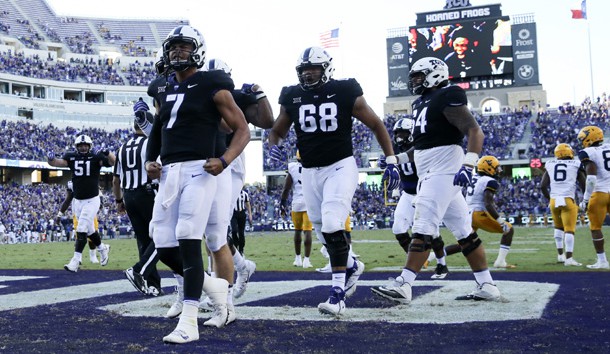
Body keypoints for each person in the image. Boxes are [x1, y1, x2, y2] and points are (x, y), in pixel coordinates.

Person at [268, 46, 400, 316]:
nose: (308, 75)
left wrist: (391, 159)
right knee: (321, 230)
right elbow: (278, 131)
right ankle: (351, 264)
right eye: (304, 71)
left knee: (331, 222)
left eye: (313, 69)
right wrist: (275, 144)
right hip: (310, 172)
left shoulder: (345, 90)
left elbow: (376, 123)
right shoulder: (292, 95)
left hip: (340, 166)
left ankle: (337, 294)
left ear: (326, 68)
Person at [144, 25, 250, 344]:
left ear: (198, 50)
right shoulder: (164, 88)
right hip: (170, 172)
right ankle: (211, 285)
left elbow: (242, 129)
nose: (177, 51)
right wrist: (152, 159)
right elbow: (159, 129)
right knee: (162, 241)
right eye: (173, 46)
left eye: (184, 46)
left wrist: (225, 159)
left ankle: (189, 321)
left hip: (200, 169)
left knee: (188, 236)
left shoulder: (211, 83)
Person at [369, 57, 501, 304]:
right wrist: (394, 160)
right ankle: (487, 285)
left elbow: (474, 131)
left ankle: (405, 284)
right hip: (431, 168)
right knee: (465, 233)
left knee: (423, 226)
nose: (414, 81)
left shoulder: (447, 94)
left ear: (434, 74)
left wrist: (469, 163)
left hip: (444, 168)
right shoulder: (421, 102)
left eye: (419, 76)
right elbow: (420, 147)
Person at [48, 134, 114, 272]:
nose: (83, 147)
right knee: (90, 230)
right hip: (77, 201)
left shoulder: (96, 157)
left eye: (85, 145)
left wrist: (107, 153)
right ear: (76, 147)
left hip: (92, 199)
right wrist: (50, 158)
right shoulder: (71, 156)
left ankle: (75, 261)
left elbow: (113, 162)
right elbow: (56, 163)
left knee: (81, 228)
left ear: (90, 146)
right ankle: (102, 248)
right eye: (80, 145)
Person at [113, 113, 163, 296]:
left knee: (143, 241)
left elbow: (115, 180)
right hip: (148, 193)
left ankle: (152, 285)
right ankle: (139, 270)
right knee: (162, 236)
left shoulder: (122, 147)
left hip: (129, 196)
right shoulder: (151, 143)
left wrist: (119, 201)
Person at [463, 155, 515, 268]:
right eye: (496, 168)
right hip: (479, 214)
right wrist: (500, 221)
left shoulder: (473, 177)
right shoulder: (490, 181)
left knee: (466, 243)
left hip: (467, 214)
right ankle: (500, 262)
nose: (498, 171)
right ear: (489, 168)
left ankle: (432, 257)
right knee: (509, 230)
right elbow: (488, 203)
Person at [541, 143, 586, 266]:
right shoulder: (576, 164)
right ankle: (569, 259)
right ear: (569, 153)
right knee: (569, 230)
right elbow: (584, 185)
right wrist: (585, 199)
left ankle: (560, 255)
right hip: (567, 200)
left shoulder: (550, 164)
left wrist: (549, 198)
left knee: (558, 227)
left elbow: (542, 186)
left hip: (554, 200)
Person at [577, 126, 610, 269]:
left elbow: (591, 178)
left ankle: (602, 261)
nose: (581, 141)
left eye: (583, 138)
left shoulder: (587, 152)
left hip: (600, 193)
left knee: (596, 228)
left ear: (589, 138)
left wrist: (585, 199)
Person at [280, 150, 314, 268]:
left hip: (296, 203)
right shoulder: (312, 167)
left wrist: (282, 203)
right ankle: (307, 260)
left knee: (297, 231)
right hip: (309, 203)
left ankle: (298, 258)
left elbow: (286, 189)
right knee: (308, 231)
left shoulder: (292, 168)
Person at [57, 180, 100, 264]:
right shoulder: (71, 183)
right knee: (79, 235)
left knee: (92, 234)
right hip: (78, 212)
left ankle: (93, 256)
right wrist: (59, 214)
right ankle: (78, 257)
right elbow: (68, 200)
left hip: (90, 210)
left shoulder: (89, 179)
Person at [230, 187, 252, 255]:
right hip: (234, 213)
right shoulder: (231, 193)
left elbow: (248, 205)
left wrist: (250, 214)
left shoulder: (244, 194)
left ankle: (241, 249)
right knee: (234, 231)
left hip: (242, 213)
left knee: (241, 233)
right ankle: (235, 246)